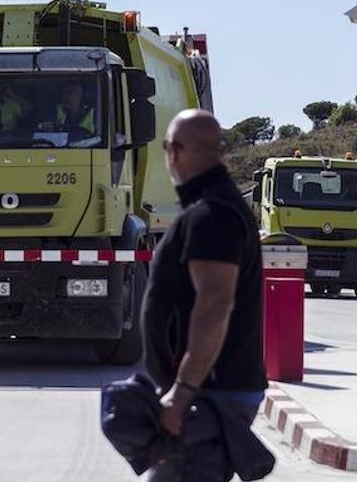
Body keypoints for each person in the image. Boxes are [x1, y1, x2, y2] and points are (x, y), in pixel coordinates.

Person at [142, 109, 267, 481]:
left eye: (166, 147)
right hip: (209, 390)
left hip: (209, 394)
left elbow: (214, 306)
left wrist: (182, 391)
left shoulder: (212, 214)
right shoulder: (213, 207)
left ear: (175, 151)